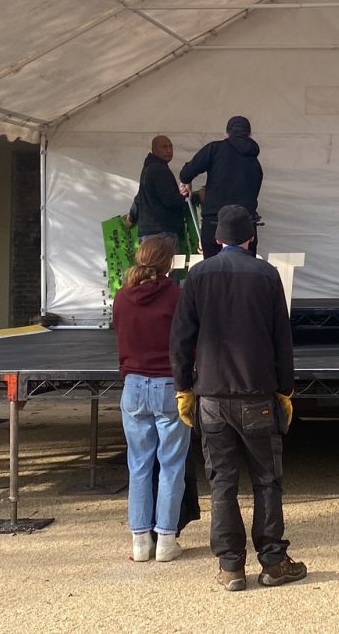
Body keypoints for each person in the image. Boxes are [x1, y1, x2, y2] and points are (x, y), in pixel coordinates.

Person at [169, 205, 304, 591]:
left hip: (210, 394)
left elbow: (180, 339)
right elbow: (282, 338)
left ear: (217, 239)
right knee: (266, 479)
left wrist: (184, 387)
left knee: (222, 482)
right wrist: (285, 388)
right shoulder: (266, 275)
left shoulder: (198, 275)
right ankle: (273, 561)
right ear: (251, 238)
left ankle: (231, 567)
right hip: (257, 392)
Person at [112, 234, 193, 563]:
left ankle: (139, 541)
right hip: (167, 384)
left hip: (133, 384)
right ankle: (166, 539)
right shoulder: (177, 296)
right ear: (169, 262)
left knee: (139, 465)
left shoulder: (122, 297)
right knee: (172, 466)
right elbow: (187, 341)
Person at [180, 116, 264, 258]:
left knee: (214, 273)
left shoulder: (215, 149)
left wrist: (186, 181)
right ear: (249, 134)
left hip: (215, 223)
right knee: (245, 274)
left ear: (226, 133)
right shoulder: (255, 164)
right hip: (246, 225)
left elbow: (187, 173)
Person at [127, 135, 189, 246]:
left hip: (149, 232)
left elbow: (140, 197)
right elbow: (170, 200)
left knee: (152, 263)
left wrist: (132, 215)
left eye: (171, 146)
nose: (169, 150)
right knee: (165, 263)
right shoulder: (159, 169)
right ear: (154, 149)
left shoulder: (148, 168)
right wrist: (189, 198)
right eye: (164, 147)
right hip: (162, 232)